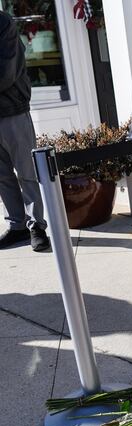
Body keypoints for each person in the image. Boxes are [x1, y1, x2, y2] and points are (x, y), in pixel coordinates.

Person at [0, 10, 50, 251]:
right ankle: (17, 226)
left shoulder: (3, 23)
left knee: (27, 172)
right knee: (2, 177)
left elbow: (5, 74)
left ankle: (36, 226)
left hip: (12, 110)